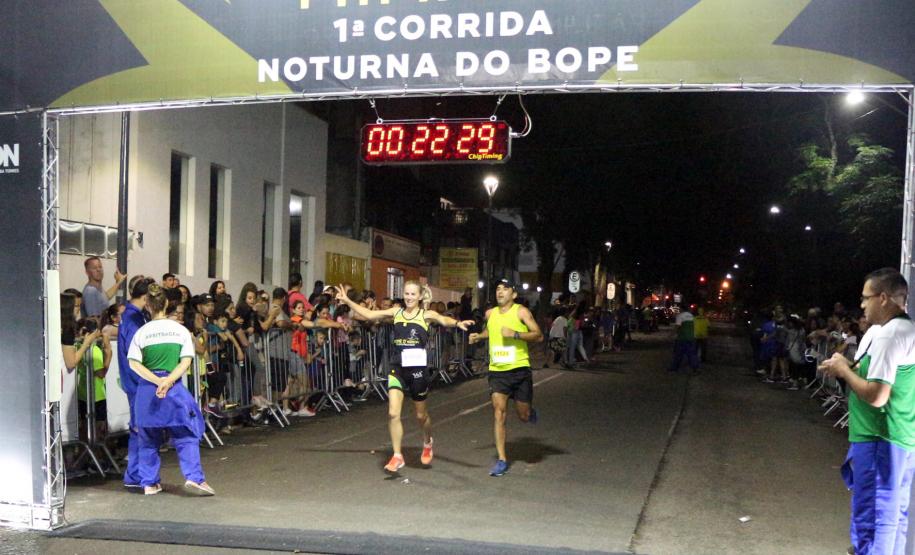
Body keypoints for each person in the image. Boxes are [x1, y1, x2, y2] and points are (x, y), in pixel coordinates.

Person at [820, 268, 915, 555]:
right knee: (893, 517)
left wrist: (843, 372)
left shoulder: (890, 335)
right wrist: (845, 367)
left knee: (874, 519)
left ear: (883, 298)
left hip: (879, 438)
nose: (861, 305)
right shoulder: (900, 330)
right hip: (897, 437)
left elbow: (877, 395)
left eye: (866, 298)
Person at [336, 281, 473, 473]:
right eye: (406, 294)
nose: (408, 297)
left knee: (420, 415)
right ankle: (397, 455)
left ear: (419, 297)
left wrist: (458, 323)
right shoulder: (396, 312)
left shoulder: (426, 315)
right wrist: (347, 301)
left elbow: (444, 320)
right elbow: (369, 314)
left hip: (417, 370)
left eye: (412, 294)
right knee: (393, 413)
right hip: (397, 366)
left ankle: (427, 442)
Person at [127, 283, 214, 496]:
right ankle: (194, 478)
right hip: (173, 389)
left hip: (147, 391)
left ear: (147, 305)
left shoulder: (142, 333)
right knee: (186, 433)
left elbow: (133, 363)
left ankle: (149, 482)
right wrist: (167, 381)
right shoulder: (180, 330)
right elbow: (186, 360)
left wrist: (156, 381)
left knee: (147, 438)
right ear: (166, 303)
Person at [468, 278, 544, 477]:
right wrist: (479, 336)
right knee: (499, 413)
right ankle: (502, 460)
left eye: (505, 289)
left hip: (519, 370)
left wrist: (516, 334)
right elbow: (490, 331)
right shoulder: (490, 313)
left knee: (523, 415)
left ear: (514, 294)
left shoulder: (521, 312)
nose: (500, 292)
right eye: (498, 289)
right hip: (497, 371)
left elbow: (538, 335)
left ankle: (529, 411)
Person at [116, 276, 153, 489]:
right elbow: (136, 352)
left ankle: (136, 474)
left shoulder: (133, 316)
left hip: (136, 380)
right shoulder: (133, 319)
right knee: (141, 427)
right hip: (138, 380)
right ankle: (136, 475)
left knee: (140, 426)